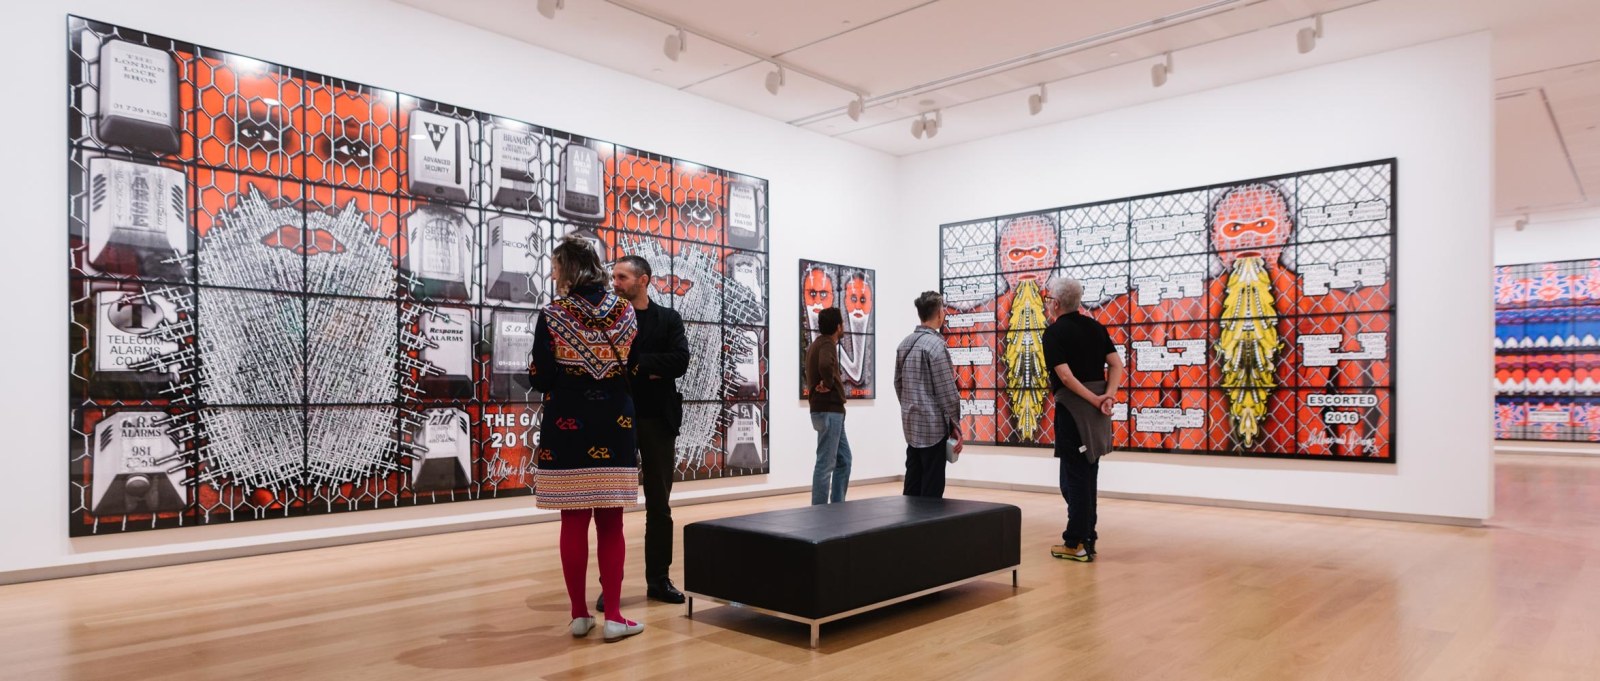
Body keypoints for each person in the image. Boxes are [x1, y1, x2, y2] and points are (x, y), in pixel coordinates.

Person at [529, 236, 644, 641]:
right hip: (615, 420)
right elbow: (630, 361)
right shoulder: (625, 311)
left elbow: (541, 376)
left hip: (567, 422)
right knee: (611, 521)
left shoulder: (553, 314)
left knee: (573, 519)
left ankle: (580, 614)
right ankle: (614, 615)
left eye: (557, 266)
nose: (553, 272)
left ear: (570, 268)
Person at [597, 255, 689, 610]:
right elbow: (604, 363)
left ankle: (659, 580)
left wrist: (636, 364)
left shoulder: (668, 318)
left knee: (659, 505)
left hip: (657, 421)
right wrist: (651, 367)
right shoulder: (607, 320)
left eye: (622, 277)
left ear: (644, 280)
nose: (615, 282)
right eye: (614, 276)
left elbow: (679, 361)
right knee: (610, 508)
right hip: (615, 420)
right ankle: (612, 585)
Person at [1041, 277, 1123, 563]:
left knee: (1074, 478)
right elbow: (1116, 364)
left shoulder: (1053, 334)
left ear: (1056, 303)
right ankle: (1088, 537)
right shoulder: (1095, 327)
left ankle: (1075, 542)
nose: (1047, 303)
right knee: (1088, 474)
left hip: (1075, 412)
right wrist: (1107, 396)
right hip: (1098, 412)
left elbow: (1065, 376)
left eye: (1048, 298)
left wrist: (1095, 399)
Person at [894, 291, 963, 498]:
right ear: (940, 313)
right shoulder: (936, 346)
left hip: (911, 424)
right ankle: (928, 528)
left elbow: (898, 384)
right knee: (932, 487)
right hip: (933, 427)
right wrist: (955, 425)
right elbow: (947, 392)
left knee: (912, 481)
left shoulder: (904, 344)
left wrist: (908, 406)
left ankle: (909, 528)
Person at [806, 307, 851, 504]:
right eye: (842, 324)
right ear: (838, 326)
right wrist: (829, 383)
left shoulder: (817, 343)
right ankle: (820, 511)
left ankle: (837, 505)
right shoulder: (827, 344)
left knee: (844, 460)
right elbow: (825, 365)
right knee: (825, 464)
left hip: (829, 412)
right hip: (829, 411)